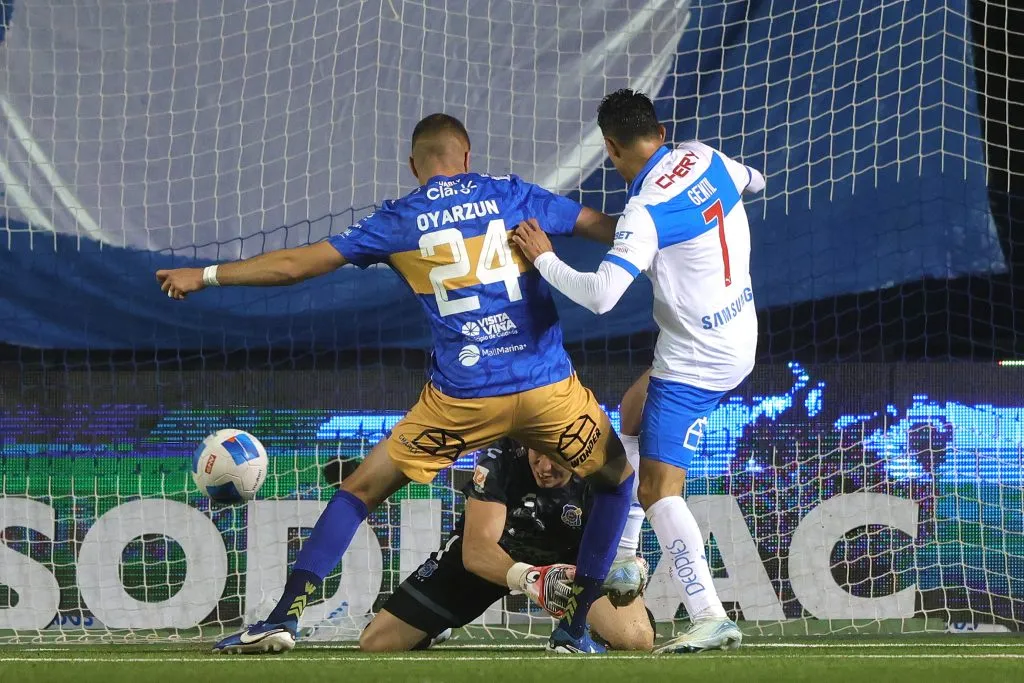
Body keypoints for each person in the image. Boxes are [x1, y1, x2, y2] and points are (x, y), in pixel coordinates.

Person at [157, 113, 633, 655]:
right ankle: (572, 630)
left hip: (463, 400)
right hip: (547, 390)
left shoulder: (401, 218)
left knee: (360, 491)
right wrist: (683, 236)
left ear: (414, 166)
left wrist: (207, 275)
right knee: (615, 481)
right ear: (467, 156)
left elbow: (294, 266)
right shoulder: (514, 194)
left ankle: (283, 617)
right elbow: (610, 229)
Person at [512, 89, 766, 654]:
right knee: (630, 409)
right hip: (739, 332)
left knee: (656, 488)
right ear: (661, 127)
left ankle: (707, 613)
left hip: (695, 359)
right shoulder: (705, 157)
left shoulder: (644, 210)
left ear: (609, 147)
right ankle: (625, 559)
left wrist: (544, 258)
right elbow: (756, 180)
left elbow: (603, 296)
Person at [355, 439, 654, 652]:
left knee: (636, 639)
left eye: (557, 458)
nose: (545, 467)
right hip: (497, 557)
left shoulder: (600, 464)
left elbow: (610, 538)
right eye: (538, 454)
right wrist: (530, 578)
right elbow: (476, 549)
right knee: (376, 643)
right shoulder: (500, 458)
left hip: (571, 565)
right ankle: (437, 627)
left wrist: (623, 565)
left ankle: (582, 629)